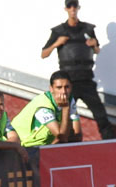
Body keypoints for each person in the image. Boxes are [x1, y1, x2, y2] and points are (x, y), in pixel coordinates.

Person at [41, 0, 114, 140]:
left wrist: (94, 46)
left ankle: (109, 145)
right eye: (70, 6)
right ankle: (65, 144)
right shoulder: (59, 31)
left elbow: (97, 49)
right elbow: (44, 54)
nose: (72, 9)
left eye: (75, 6)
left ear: (78, 8)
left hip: (86, 81)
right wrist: (57, 43)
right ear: (66, 9)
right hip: (68, 84)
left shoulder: (88, 29)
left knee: (101, 116)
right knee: (64, 116)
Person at [12, 70, 82, 147]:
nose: (63, 92)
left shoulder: (70, 100)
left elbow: (77, 136)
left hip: (41, 146)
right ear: (51, 89)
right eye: (59, 88)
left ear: (71, 87)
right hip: (23, 144)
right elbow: (62, 138)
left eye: (67, 87)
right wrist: (65, 109)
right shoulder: (43, 106)